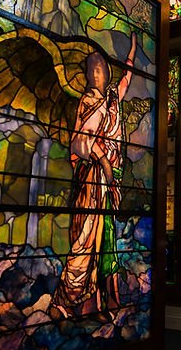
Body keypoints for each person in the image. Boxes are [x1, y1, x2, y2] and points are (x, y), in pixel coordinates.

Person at [51, 32, 137, 317]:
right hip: (92, 180)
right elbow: (80, 140)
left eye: (102, 68)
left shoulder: (112, 99)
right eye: (94, 68)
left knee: (104, 240)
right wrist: (103, 161)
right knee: (87, 237)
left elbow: (126, 80)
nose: (99, 73)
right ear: (88, 75)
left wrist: (132, 52)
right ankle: (68, 298)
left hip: (108, 183)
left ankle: (97, 301)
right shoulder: (88, 101)